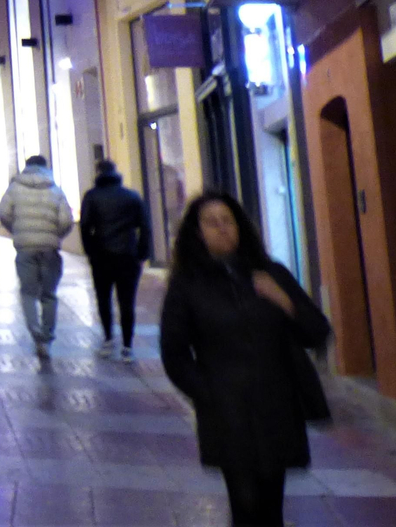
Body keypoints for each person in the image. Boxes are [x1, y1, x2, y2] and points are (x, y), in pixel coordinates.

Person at [160, 192, 330, 527]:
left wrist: (284, 300)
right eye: (212, 222)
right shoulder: (187, 286)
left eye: (228, 220)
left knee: (271, 506)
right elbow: (174, 354)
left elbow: (317, 331)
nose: (222, 228)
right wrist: (208, 393)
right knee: (245, 505)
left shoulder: (271, 274)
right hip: (228, 413)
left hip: (276, 406)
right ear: (197, 233)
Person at [0, 153, 73, 359]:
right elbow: (67, 220)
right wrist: (56, 236)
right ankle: (47, 337)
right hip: (49, 249)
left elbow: (3, 212)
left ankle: (35, 331)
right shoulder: (56, 190)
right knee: (49, 294)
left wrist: (16, 230)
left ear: (27, 167)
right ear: (46, 168)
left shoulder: (15, 188)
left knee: (28, 292)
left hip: (25, 248)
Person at [79, 158, 151, 360]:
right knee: (127, 301)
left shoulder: (92, 196)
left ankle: (108, 339)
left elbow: (85, 227)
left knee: (104, 299)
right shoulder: (132, 196)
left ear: (98, 174)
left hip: (101, 257)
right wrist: (142, 254)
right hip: (128, 256)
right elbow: (145, 227)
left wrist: (90, 252)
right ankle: (128, 346)